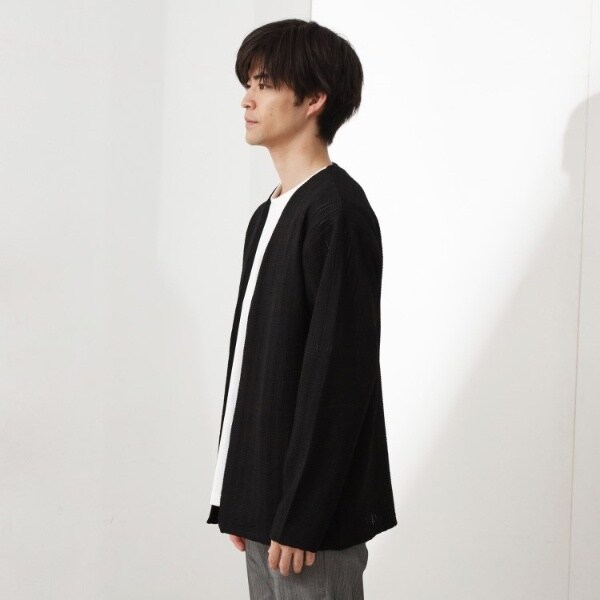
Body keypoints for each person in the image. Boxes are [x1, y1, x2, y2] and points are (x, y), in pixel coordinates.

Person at [206, 18, 397, 599]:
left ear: (315, 99)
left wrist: (304, 513)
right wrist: (240, 492)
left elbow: (340, 374)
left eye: (264, 84)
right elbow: (256, 364)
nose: (247, 98)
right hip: (265, 506)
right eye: (248, 83)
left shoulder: (338, 211)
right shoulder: (268, 214)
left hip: (308, 523)